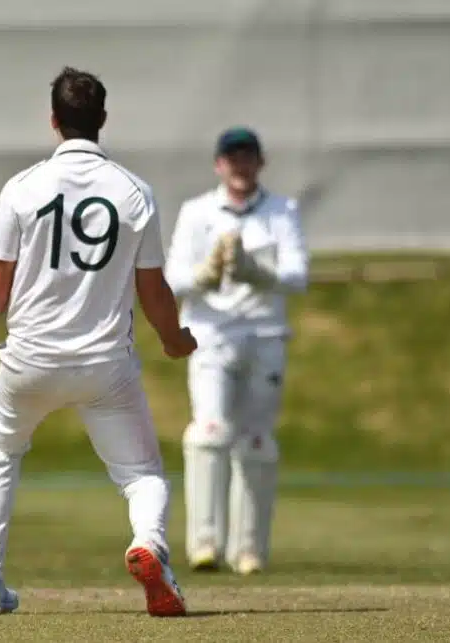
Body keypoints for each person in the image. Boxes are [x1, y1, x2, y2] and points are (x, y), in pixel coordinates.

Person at [0, 67, 197, 617]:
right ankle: (149, 546)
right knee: (142, 475)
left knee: (0, 450)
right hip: (105, 365)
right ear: (102, 119)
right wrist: (174, 338)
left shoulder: (23, 187)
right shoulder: (134, 192)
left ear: (53, 120)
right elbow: (152, 288)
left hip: (29, 360)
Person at [164, 127, 309, 575]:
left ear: (260, 162)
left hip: (265, 335)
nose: (240, 165)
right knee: (209, 431)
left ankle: (249, 550)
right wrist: (205, 275)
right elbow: (173, 280)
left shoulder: (282, 211)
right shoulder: (196, 212)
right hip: (211, 335)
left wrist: (255, 273)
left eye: (248, 157)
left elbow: (297, 276)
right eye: (232, 158)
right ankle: (205, 544)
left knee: (257, 440)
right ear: (218, 165)